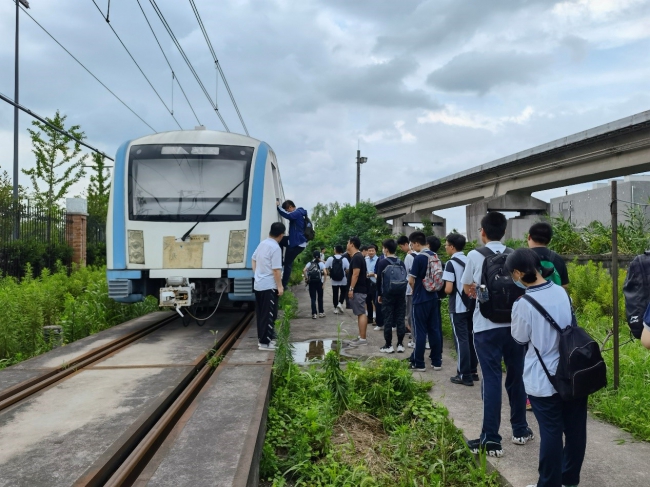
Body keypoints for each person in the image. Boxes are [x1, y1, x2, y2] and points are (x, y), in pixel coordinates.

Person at [507, 248, 587, 487]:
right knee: (575, 431)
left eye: (513, 274)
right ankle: (569, 480)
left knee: (551, 432)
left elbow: (520, 339)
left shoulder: (523, 303)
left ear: (519, 273)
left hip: (543, 379)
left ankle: (549, 483)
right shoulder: (561, 293)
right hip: (573, 372)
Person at [460, 211, 532, 457]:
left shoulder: (474, 255)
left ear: (482, 231)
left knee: (491, 380)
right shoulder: (515, 255)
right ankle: (520, 430)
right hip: (515, 327)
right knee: (516, 377)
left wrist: (476, 293)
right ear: (505, 232)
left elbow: (466, 286)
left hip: (485, 328)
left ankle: (491, 440)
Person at [443, 232, 478, 386]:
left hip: (457, 307)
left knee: (461, 340)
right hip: (471, 304)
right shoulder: (470, 260)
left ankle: (463, 375)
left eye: (446, 245)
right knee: (471, 338)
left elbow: (449, 289)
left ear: (452, 247)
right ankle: (473, 371)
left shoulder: (451, 263)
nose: (445, 248)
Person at [407, 231, 442, 371]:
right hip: (433, 296)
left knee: (420, 331)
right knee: (434, 329)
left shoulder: (419, 258)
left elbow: (411, 280)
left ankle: (419, 363)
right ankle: (436, 362)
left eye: (412, 244)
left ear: (416, 243)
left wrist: (416, 289)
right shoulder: (434, 255)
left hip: (420, 298)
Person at [251, 222, 285, 350]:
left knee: (261, 314)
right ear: (281, 235)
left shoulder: (262, 244)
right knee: (269, 314)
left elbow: (253, 259)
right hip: (269, 286)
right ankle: (265, 343)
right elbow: (276, 270)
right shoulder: (275, 248)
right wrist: (280, 287)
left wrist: (257, 273)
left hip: (259, 285)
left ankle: (263, 340)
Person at [376, 238, 406, 353]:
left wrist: (379, 294)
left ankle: (388, 345)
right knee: (400, 319)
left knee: (388, 318)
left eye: (383, 247)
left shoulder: (383, 262)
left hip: (388, 294)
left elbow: (379, 280)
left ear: (386, 249)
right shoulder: (400, 262)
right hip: (400, 294)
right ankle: (400, 344)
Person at [527, 222, 569, 288]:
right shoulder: (558, 258)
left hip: (528, 297)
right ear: (549, 240)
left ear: (529, 237)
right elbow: (564, 286)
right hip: (553, 297)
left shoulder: (521, 257)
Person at [276, 199, 308, 288]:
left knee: (288, 264)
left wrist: (278, 206)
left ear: (290, 207)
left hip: (296, 244)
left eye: (287, 209)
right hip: (295, 241)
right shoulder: (299, 213)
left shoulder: (297, 213)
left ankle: (284, 285)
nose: (287, 211)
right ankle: (280, 260)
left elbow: (287, 215)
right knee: (280, 240)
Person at [346, 236, 369, 346]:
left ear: (352, 244)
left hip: (358, 290)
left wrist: (351, 289)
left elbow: (356, 274)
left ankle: (363, 339)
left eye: (348, 242)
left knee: (361, 313)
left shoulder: (357, 257)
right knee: (359, 313)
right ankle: (360, 336)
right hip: (359, 289)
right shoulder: (358, 256)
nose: (347, 244)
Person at [397, 235, 416, 345]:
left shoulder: (409, 257)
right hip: (418, 289)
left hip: (410, 289)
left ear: (406, 244)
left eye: (401, 246)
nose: (401, 249)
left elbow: (407, 275)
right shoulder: (419, 254)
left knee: (410, 315)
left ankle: (414, 339)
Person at [324, 245, 349, 314]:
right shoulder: (344, 259)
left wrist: (330, 273)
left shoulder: (330, 258)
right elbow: (348, 269)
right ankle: (340, 304)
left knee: (335, 293)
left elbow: (325, 267)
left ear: (335, 250)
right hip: (343, 279)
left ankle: (335, 308)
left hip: (334, 279)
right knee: (343, 292)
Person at [303, 250, 326, 319]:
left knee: (313, 298)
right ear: (319, 256)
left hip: (311, 282)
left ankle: (314, 314)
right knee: (320, 298)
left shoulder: (309, 263)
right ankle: (321, 313)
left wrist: (306, 278)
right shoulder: (321, 264)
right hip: (319, 282)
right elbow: (325, 273)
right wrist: (324, 283)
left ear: (313, 256)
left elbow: (304, 270)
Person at [365, 244, 379, 328]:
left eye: (372, 250)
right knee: (367, 300)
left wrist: (373, 274)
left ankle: (377, 319)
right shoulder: (365, 259)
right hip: (367, 281)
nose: (370, 252)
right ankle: (369, 317)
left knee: (375, 301)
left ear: (375, 251)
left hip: (375, 282)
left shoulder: (378, 260)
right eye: (369, 251)